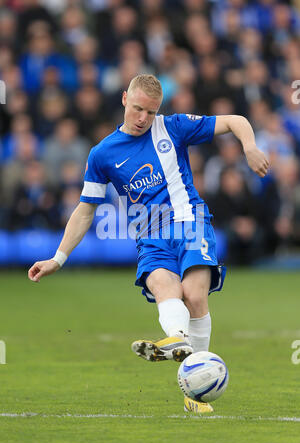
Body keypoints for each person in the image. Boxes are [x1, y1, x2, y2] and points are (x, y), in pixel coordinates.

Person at [28, 74, 269, 413]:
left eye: (151, 112)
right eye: (138, 109)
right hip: (150, 237)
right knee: (163, 287)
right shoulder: (102, 154)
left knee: (196, 296)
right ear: (125, 99)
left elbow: (235, 120)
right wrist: (59, 258)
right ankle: (185, 362)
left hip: (190, 222)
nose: (143, 118)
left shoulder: (173, 127)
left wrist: (250, 146)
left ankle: (184, 362)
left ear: (159, 110)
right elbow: (84, 212)